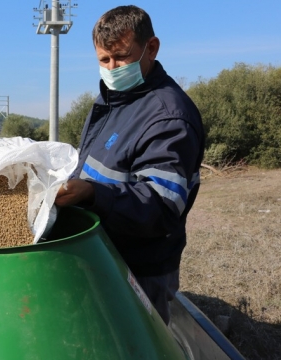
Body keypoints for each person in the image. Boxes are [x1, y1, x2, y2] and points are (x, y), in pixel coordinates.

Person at [55, 5, 205, 325]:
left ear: (151, 48)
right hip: (105, 251)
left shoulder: (169, 118)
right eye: (103, 61)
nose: (112, 68)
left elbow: (161, 206)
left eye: (121, 57)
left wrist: (92, 193)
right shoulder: (114, 97)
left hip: (140, 268)